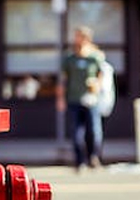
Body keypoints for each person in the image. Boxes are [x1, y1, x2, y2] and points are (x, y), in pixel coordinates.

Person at [56, 26, 105, 172]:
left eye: (82, 36)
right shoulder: (69, 59)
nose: (79, 39)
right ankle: (79, 161)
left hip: (91, 100)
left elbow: (102, 75)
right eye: (77, 36)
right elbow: (63, 81)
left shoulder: (95, 57)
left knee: (94, 131)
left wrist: (97, 84)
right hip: (74, 99)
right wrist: (60, 99)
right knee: (76, 133)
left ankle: (93, 157)